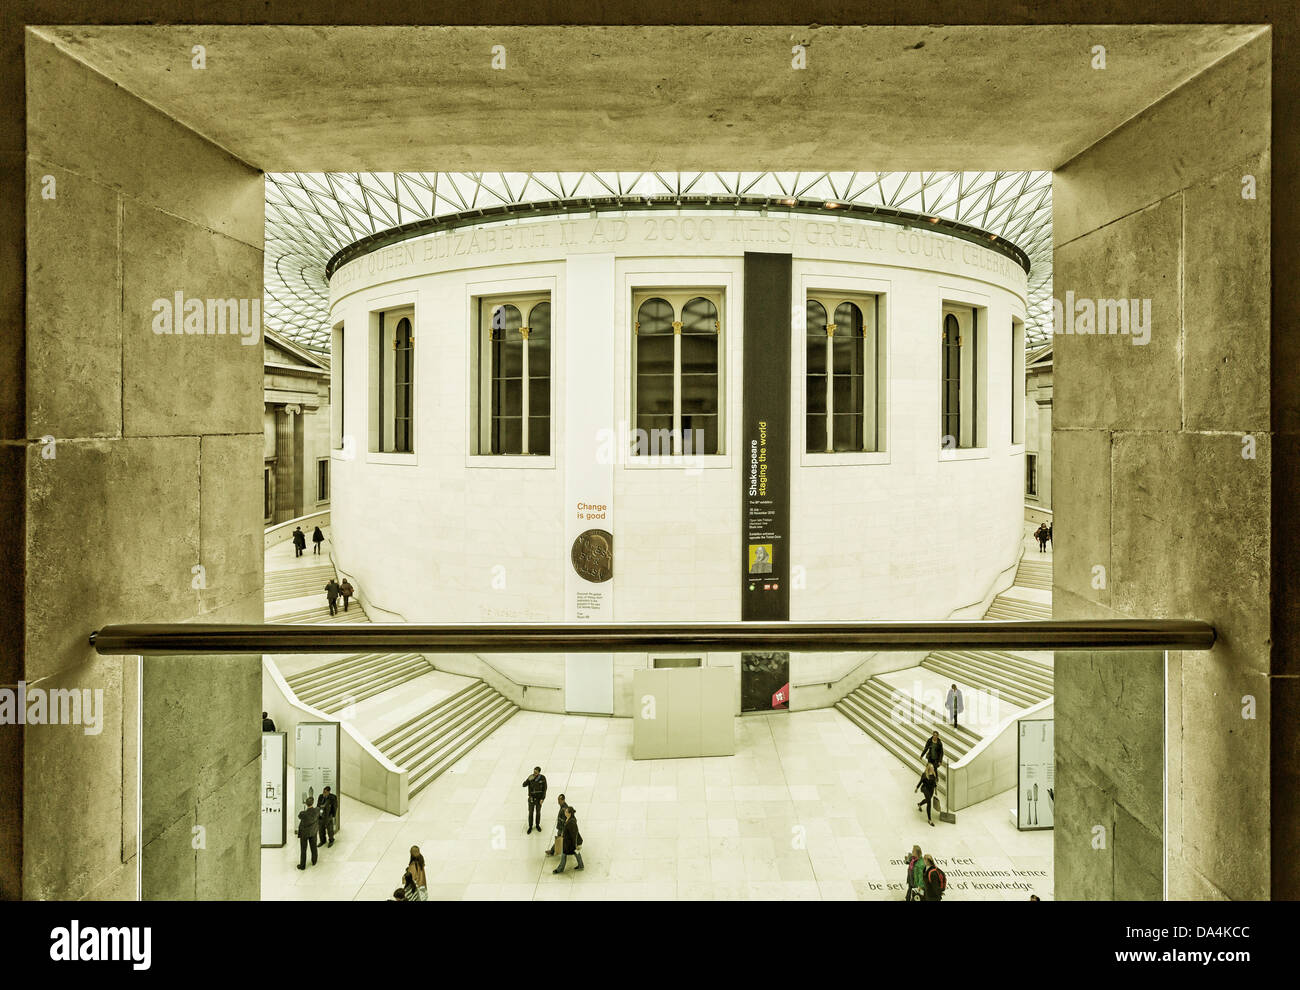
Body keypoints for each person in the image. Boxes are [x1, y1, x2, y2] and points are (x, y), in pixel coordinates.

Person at [552, 805, 584, 873]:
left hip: (570, 842)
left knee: (565, 854)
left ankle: (560, 869)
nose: (565, 812)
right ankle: (581, 865)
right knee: (576, 853)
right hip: (569, 841)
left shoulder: (571, 822)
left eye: (566, 812)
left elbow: (574, 834)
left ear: (569, 813)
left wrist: (575, 844)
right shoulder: (569, 818)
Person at [296, 796, 319, 870]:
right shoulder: (317, 810)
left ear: (306, 804)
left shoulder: (303, 813)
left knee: (303, 850)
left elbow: (299, 816)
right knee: (314, 847)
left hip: (304, 833)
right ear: (313, 802)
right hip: (313, 832)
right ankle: (314, 861)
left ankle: (302, 865)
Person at [523, 766, 548, 833]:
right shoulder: (531, 777)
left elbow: (544, 789)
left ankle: (537, 825)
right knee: (530, 813)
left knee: (538, 813)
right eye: (534, 772)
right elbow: (524, 785)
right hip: (531, 798)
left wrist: (543, 798)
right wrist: (528, 779)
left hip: (539, 799)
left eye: (536, 772)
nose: (534, 773)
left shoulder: (542, 778)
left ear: (539, 772)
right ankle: (530, 826)